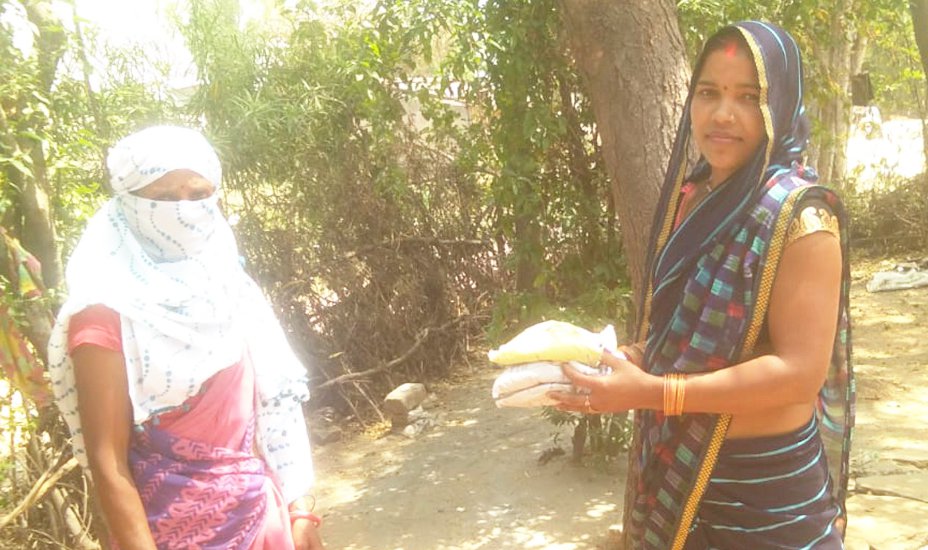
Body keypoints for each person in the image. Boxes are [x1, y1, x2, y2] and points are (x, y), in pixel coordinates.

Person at [549, 21, 854, 549]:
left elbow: (799, 375)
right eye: (708, 92)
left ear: (780, 104)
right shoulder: (692, 197)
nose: (722, 114)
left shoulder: (800, 219)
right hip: (686, 481)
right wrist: (634, 357)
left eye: (748, 97)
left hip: (770, 498)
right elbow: (684, 330)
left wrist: (653, 393)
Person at [48, 125, 325, 550]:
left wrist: (299, 507)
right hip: (164, 536)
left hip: (263, 523)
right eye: (161, 198)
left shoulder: (230, 289)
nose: (183, 211)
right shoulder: (104, 314)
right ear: (127, 204)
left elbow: (272, 408)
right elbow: (109, 465)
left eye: (198, 196)